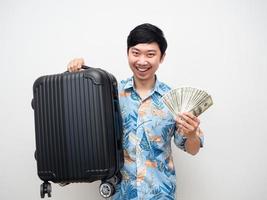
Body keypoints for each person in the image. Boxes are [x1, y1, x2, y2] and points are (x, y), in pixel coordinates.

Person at [67, 23, 204, 200]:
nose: (142, 61)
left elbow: (192, 149)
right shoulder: (110, 94)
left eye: (150, 54)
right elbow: (81, 116)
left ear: (162, 57)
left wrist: (192, 135)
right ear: (127, 53)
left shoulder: (174, 100)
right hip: (119, 194)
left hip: (160, 194)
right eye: (136, 53)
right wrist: (76, 74)